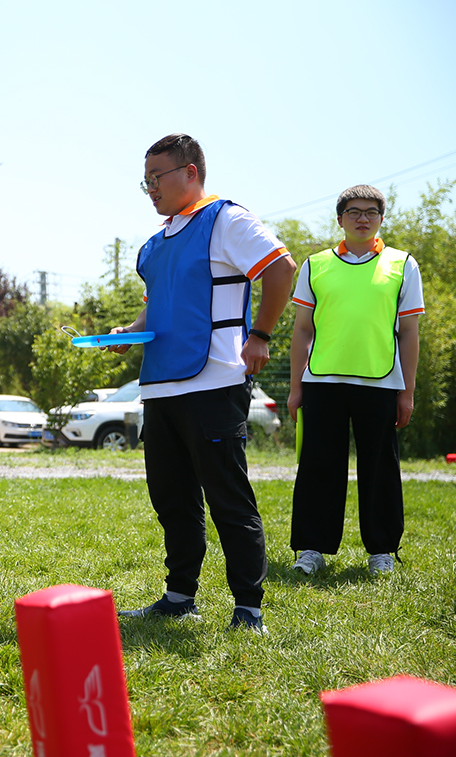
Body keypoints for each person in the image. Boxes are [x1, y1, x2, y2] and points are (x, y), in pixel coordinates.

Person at [110, 133, 295, 633]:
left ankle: (248, 608)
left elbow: (282, 270)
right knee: (172, 500)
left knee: (227, 498)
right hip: (162, 386)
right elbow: (162, 304)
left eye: (157, 178)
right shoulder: (156, 243)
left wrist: (260, 336)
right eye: (144, 180)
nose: (150, 188)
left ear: (190, 172)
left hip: (214, 383)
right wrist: (129, 333)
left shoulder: (227, 220)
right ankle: (178, 596)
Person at [287, 185, 423, 577]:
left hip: (381, 383)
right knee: (317, 465)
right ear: (340, 218)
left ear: (381, 218)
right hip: (322, 382)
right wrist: (296, 388)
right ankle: (311, 549)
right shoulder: (316, 265)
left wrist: (407, 392)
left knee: (380, 468)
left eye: (371, 212)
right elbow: (301, 331)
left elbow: (409, 333)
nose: (362, 218)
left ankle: (381, 550)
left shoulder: (403, 264)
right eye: (353, 211)